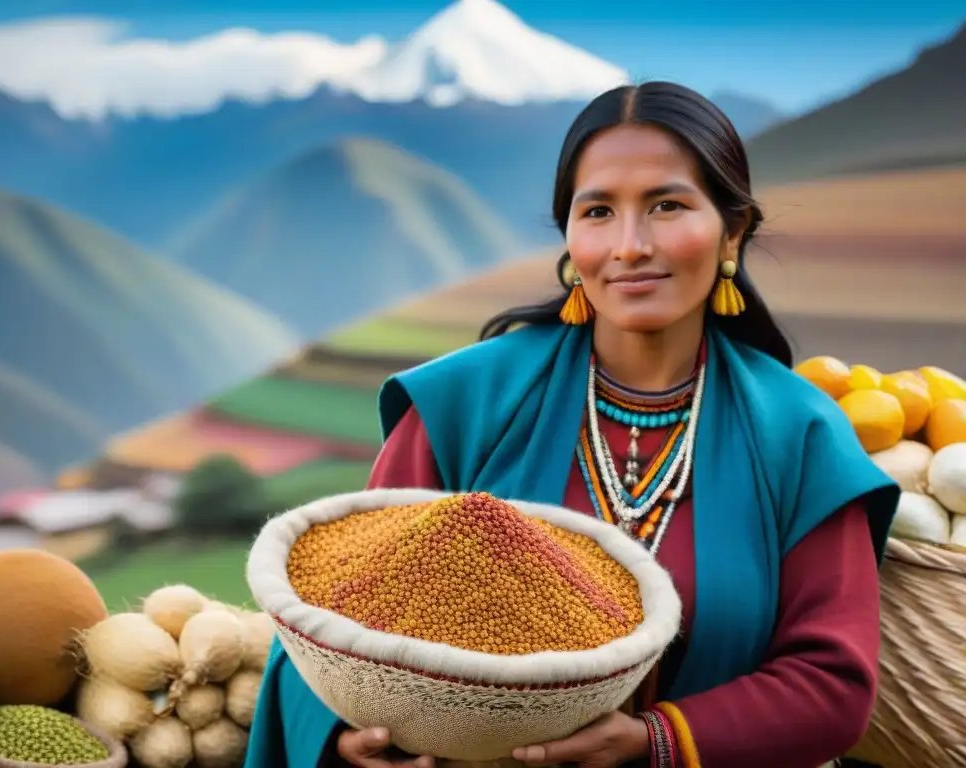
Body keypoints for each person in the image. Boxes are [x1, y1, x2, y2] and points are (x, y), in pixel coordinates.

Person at [244, 82, 900, 768]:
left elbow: (832, 684)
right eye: (598, 211)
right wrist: (345, 739)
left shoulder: (799, 435)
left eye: (667, 205)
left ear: (733, 231)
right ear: (569, 237)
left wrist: (657, 742)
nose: (631, 245)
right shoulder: (465, 403)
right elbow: (327, 622)